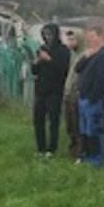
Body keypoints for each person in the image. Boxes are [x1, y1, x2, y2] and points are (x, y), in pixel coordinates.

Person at [30, 23, 71, 158]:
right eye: (45, 34)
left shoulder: (63, 50)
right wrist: (36, 62)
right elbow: (34, 71)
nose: (47, 37)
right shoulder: (42, 48)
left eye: (50, 34)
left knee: (53, 121)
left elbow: (62, 70)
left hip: (54, 91)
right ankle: (40, 148)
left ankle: (51, 149)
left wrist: (48, 59)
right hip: (40, 90)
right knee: (38, 121)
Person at [74, 25, 104, 167]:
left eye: (92, 37)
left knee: (94, 129)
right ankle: (86, 155)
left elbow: (100, 80)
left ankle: (97, 159)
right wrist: (85, 57)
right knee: (84, 130)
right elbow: (78, 69)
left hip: (93, 100)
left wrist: (92, 98)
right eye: (88, 38)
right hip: (83, 97)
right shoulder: (91, 54)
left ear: (100, 37)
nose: (90, 40)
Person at [61, 28, 85, 159]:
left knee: (78, 126)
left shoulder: (84, 55)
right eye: (69, 39)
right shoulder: (72, 55)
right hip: (68, 93)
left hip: (77, 95)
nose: (70, 42)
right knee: (70, 126)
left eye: (73, 39)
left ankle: (80, 153)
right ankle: (73, 151)